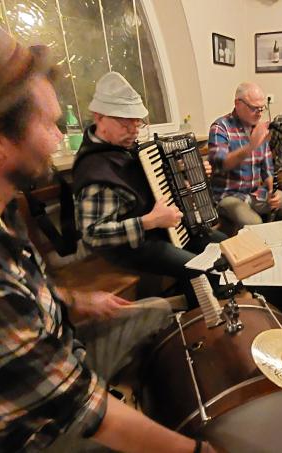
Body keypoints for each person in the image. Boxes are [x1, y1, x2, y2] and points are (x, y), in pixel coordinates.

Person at [0, 5, 218, 452]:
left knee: (160, 314)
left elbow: (15, 289)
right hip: (9, 435)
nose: (58, 138)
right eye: (50, 124)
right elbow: (80, 406)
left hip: (42, 361)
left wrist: (72, 300)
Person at [72, 71, 225, 307]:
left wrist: (187, 171)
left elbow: (151, 182)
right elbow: (92, 234)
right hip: (129, 245)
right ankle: (200, 326)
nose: (134, 130)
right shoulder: (94, 169)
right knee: (199, 270)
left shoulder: (126, 148)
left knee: (222, 245)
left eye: (137, 122)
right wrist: (149, 222)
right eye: (125, 123)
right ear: (99, 117)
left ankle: (207, 309)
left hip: (159, 229)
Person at [208, 81, 282, 231]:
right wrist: (251, 145)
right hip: (228, 195)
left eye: (262, 108)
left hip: (255, 193)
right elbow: (220, 164)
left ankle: (278, 247)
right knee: (254, 223)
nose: (259, 113)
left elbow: (267, 167)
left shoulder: (258, 127)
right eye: (254, 108)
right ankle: (257, 250)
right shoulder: (221, 127)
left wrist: (272, 192)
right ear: (238, 103)